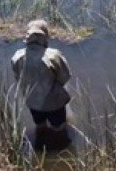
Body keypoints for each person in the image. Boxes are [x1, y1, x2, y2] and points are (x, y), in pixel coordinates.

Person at [11, 20, 72, 150]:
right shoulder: (53, 55)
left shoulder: (17, 56)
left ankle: (41, 145)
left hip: (33, 103)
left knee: (40, 125)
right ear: (44, 36)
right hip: (54, 103)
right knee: (59, 128)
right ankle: (60, 150)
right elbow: (65, 77)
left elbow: (18, 79)